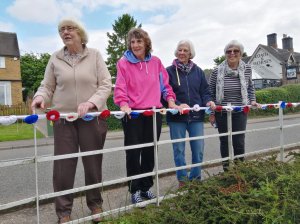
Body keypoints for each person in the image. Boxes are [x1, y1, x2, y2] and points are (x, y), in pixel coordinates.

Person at [31, 18, 112, 223]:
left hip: (91, 118)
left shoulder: (94, 55)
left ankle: (95, 206)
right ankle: (64, 212)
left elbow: (105, 84)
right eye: (61, 30)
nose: (65, 32)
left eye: (69, 28)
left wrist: (91, 103)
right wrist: (41, 97)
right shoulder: (55, 58)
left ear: (80, 32)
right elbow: (47, 86)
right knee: (63, 167)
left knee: (93, 164)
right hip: (64, 119)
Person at [113, 27, 178, 204]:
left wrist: (170, 101)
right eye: (132, 42)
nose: (135, 45)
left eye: (139, 41)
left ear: (146, 43)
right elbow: (120, 87)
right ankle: (134, 190)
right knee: (134, 153)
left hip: (153, 113)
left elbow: (165, 86)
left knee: (150, 151)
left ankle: (146, 187)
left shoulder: (156, 62)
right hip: (133, 114)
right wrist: (123, 103)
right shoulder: (123, 63)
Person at [166, 40, 215, 187]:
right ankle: (182, 180)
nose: (182, 53)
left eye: (185, 50)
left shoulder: (198, 71)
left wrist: (208, 102)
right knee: (179, 149)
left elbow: (205, 92)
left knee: (198, 149)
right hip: (176, 117)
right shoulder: (168, 71)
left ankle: (195, 178)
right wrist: (179, 105)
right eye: (179, 50)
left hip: (196, 117)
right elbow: (165, 94)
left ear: (190, 53)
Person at [209, 40, 260, 171]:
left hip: (240, 111)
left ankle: (239, 171)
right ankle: (227, 171)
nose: (232, 53)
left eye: (235, 51)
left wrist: (252, 101)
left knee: (239, 141)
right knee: (225, 142)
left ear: (241, 54)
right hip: (222, 112)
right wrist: (212, 113)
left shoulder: (247, 69)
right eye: (228, 51)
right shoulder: (216, 71)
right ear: (225, 54)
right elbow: (211, 93)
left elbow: (250, 88)